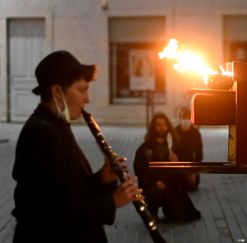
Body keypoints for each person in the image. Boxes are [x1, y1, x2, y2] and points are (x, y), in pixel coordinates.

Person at [11, 50, 141, 243]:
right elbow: (57, 209)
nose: (87, 99)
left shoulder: (55, 125)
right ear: (57, 91)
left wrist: (103, 179)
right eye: (82, 90)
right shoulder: (41, 133)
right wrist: (113, 201)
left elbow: (70, 189)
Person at [134, 112, 201, 222]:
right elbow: (140, 172)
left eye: (164, 125)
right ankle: (152, 212)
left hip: (171, 186)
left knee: (180, 216)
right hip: (153, 186)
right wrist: (155, 181)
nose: (162, 128)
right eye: (158, 125)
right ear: (153, 127)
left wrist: (177, 163)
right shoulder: (144, 149)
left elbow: (184, 168)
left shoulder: (175, 146)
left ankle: (169, 208)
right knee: (153, 193)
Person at [175, 107, 203, 191]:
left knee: (191, 186)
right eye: (184, 118)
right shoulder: (174, 132)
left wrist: (194, 171)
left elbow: (199, 154)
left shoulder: (195, 133)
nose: (186, 120)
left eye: (188, 118)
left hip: (191, 166)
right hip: (177, 166)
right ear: (180, 118)